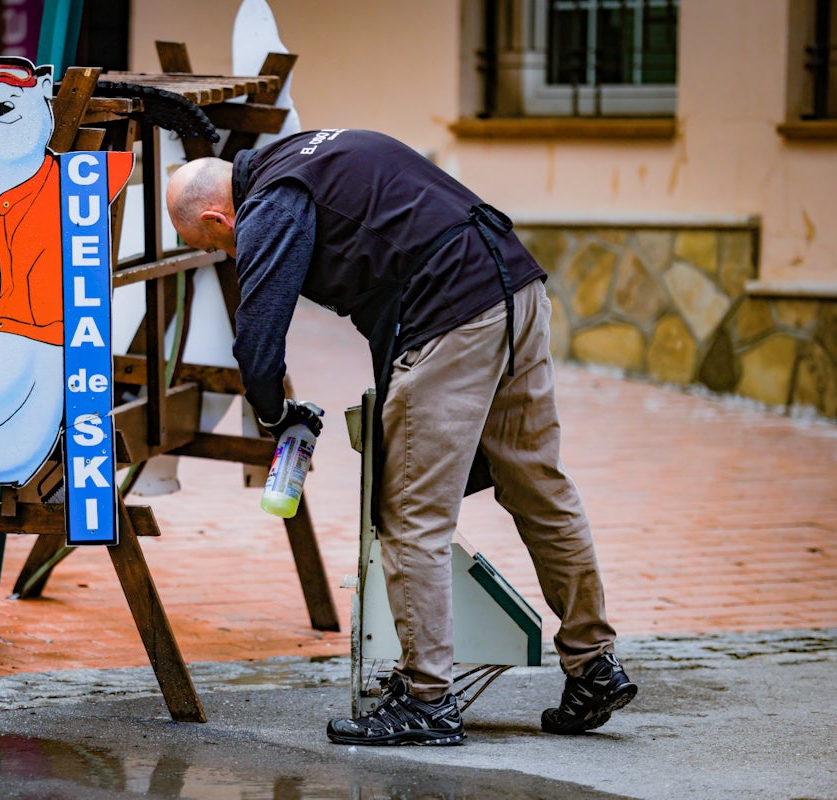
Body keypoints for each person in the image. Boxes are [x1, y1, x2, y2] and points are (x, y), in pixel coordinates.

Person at [165, 128, 637, 746]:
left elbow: (259, 330)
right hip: (516, 290)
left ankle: (427, 700)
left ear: (215, 215)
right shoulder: (307, 151)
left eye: (216, 245)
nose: (230, 255)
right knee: (538, 485)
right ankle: (593, 663)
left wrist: (273, 413)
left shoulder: (270, 202)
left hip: (454, 316)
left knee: (411, 515)